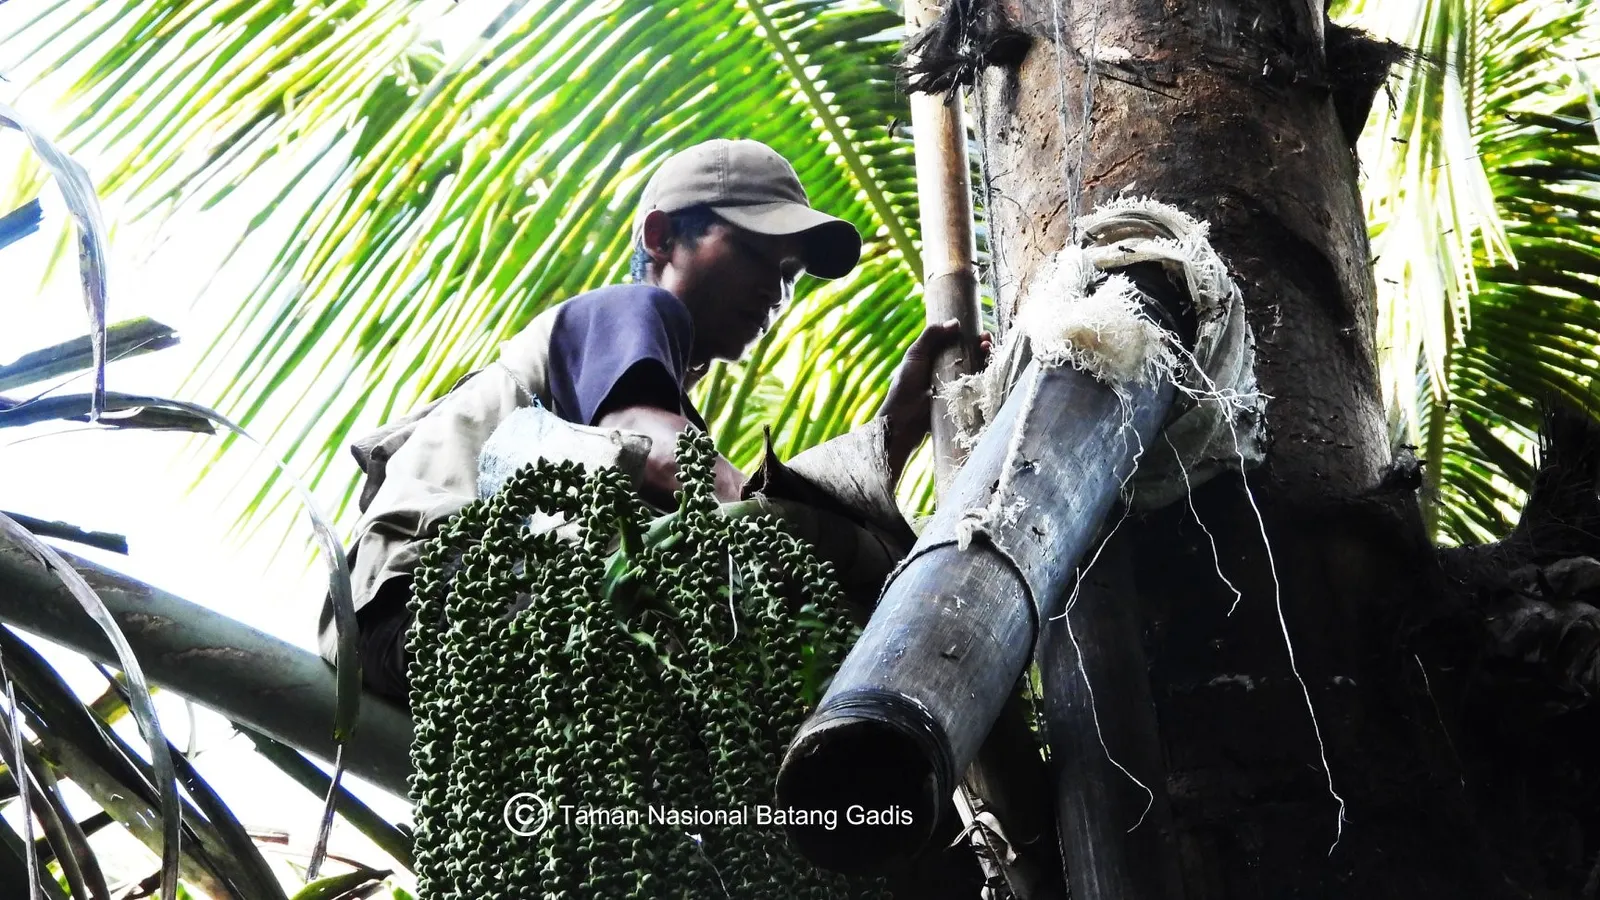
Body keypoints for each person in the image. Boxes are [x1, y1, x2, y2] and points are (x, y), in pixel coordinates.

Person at [319, 138, 970, 702]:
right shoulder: (628, 311)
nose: (776, 290)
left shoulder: (647, 403)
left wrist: (886, 441)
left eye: (789, 273)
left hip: (455, 640)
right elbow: (671, 461)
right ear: (661, 238)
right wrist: (851, 557)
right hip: (435, 606)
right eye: (754, 253)